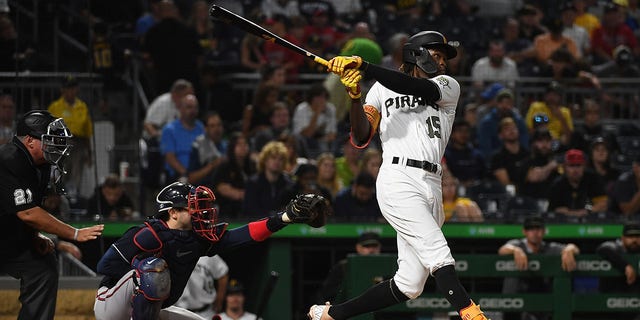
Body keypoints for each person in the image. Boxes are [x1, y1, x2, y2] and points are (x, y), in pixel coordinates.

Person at [311, 30, 490, 320]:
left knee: (410, 284)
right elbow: (360, 137)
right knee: (439, 254)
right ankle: (471, 314)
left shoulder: (447, 85)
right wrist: (355, 96)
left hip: (433, 184)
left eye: (444, 57)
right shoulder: (380, 90)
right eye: (436, 55)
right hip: (398, 178)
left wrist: (366, 67)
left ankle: (330, 315)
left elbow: (418, 89)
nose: (442, 62)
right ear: (416, 53)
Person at [93, 181, 323, 320]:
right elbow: (105, 266)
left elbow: (241, 236)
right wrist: (143, 264)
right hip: (110, 304)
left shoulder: (198, 238)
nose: (200, 212)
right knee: (154, 269)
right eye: (192, 207)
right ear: (173, 212)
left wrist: (284, 218)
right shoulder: (147, 234)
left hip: (146, 312)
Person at [0, 110, 104, 320]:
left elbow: (24, 208)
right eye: (50, 139)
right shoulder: (8, 159)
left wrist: (33, 236)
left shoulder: (42, 165)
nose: (57, 145)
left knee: (42, 265)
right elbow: (28, 212)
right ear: (30, 141)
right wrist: (74, 233)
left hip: (6, 237)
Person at [498, 216, 580, 320]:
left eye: (538, 229)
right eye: (531, 229)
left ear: (544, 231)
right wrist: (515, 250)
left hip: (541, 300)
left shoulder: (550, 248)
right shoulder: (517, 245)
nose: (535, 233)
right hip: (517, 301)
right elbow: (502, 250)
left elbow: (574, 248)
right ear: (525, 231)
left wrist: (569, 249)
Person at [48, 76, 93, 196]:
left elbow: (87, 132)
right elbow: (48, 130)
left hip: (78, 144)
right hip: (60, 145)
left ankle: (74, 200)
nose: (71, 91)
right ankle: (58, 199)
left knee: (76, 174)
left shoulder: (82, 106)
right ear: (63, 90)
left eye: (73, 88)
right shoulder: (55, 107)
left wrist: (89, 153)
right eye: (68, 88)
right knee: (60, 174)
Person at [316, 232, 382, 304]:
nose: (371, 250)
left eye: (374, 246)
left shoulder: (386, 265)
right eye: (367, 246)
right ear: (358, 247)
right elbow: (327, 293)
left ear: (379, 247)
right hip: (351, 307)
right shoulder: (344, 266)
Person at [548, 149, 607, 220]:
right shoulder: (558, 184)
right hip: (564, 223)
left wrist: (588, 210)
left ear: (584, 166)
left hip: (591, 222)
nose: (575, 170)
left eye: (578, 165)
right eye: (571, 165)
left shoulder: (593, 179)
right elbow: (552, 211)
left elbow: (603, 204)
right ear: (565, 167)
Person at [161, 94, 204, 183]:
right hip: (178, 175)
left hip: (199, 173)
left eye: (195, 108)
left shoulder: (201, 128)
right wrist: (186, 173)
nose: (193, 111)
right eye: (189, 107)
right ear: (180, 109)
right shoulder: (170, 130)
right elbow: (170, 158)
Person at [174, 255, 229, 319]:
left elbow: (222, 274)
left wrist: (220, 299)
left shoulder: (206, 253)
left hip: (206, 312)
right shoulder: (173, 252)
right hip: (179, 312)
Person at [596, 220, 640, 293]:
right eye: (630, 236)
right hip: (612, 296)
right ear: (622, 238)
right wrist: (626, 266)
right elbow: (603, 248)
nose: (634, 240)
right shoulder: (616, 246)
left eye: (637, 236)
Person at [187, 112, 227, 185]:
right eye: (212, 126)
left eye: (219, 125)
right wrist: (213, 165)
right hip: (204, 188)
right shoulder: (198, 145)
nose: (217, 129)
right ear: (206, 129)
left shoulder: (226, 145)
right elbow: (191, 178)